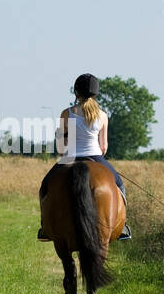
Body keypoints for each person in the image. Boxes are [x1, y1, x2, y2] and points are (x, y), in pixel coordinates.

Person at [37, 73, 131, 241]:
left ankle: (45, 227)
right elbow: (104, 147)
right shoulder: (102, 116)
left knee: (45, 186)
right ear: (96, 93)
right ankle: (123, 226)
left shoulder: (66, 113)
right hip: (95, 156)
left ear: (76, 92)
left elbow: (60, 146)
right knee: (119, 185)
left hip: (69, 157)